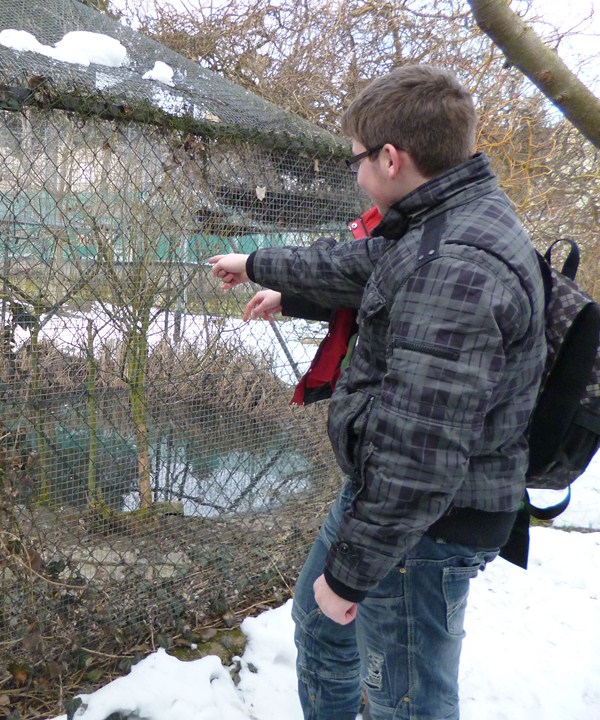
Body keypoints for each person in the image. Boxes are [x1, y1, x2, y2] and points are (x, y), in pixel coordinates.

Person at [209, 65, 546, 720]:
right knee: (319, 623)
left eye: (358, 161)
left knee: (408, 700)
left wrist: (354, 574)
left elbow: (421, 457)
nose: (357, 175)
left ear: (391, 158)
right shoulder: (444, 218)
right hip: (391, 496)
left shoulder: (457, 265)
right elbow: (363, 267)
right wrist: (263, 269)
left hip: (426, 524)